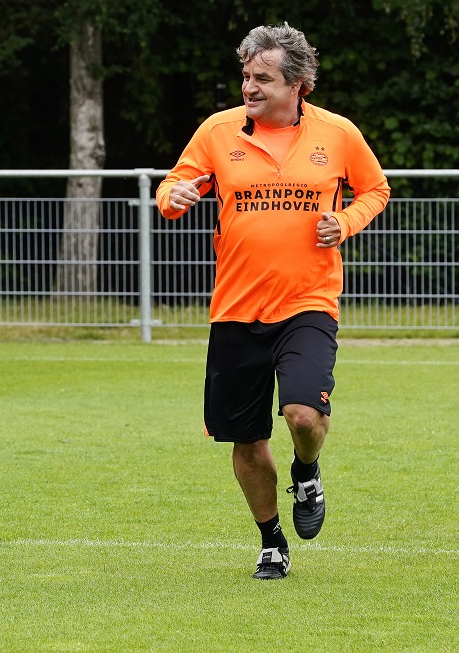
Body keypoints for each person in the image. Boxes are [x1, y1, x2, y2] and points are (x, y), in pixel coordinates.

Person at [156, 23, 389, 580]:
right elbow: (170, 189)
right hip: (236, 309)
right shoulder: (217, 131)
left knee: (303, 413)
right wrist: (175, 196)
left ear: (299, 84)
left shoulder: (338, 133)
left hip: (309, 302)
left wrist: (347, 221)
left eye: (263, 78)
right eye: (245, 76)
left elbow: (375, 189)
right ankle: (271, 541)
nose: (249, 87)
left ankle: (306, 470)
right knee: (247, 437)